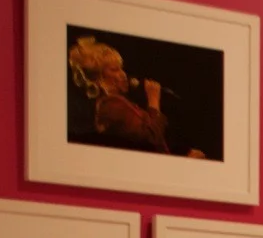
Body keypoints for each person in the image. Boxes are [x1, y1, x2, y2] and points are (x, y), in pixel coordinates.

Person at [66, 34, 204, 157]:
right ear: (98, 77)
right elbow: (151, 139)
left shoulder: (120, 102)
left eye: (121, 68)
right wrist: (153, 99)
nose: (123, 74)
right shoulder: (111, 106)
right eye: (114, 70)